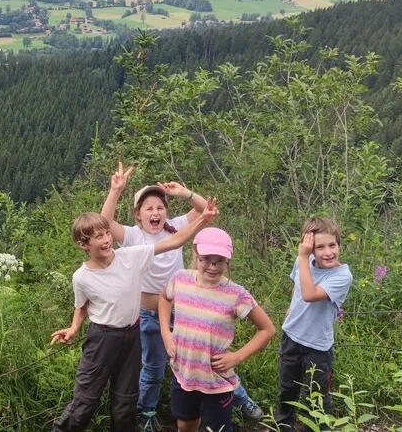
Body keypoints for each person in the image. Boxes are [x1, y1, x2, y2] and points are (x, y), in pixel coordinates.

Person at [99, 163, 264, 430]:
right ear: (137, 214)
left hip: (187, 310)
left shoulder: (175, 227)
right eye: (148, 208)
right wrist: (115, 190)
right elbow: (103, 224)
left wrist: (184, 193)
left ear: (166, 212)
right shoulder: (131, 236)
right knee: (153, 366)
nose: (155, 212)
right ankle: (147, 412)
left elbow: (204, 209)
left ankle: (239, 398)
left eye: (160, 207)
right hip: (151, 315)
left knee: (209, 359)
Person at [50, 197, 218, 432]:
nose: (107, 240)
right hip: (102, 339)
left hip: (131, 335)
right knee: (85, 401)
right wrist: (74, 327)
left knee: (125, 401)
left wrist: (203, 218)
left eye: (107, 233)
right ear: (82, 244)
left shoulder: (130, 256)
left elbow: (174, 241)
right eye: (98, 237)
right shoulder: (81, 277)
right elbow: (83, 305)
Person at [159, 227, 276, 432]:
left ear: (228, 261)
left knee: (218, 429)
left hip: (217, 380)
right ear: (195, 254)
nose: (213, 266)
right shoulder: (180, 279)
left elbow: (267, 329)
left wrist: (237, 357)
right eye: (206, 259)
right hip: (183, 373)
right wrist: (165, 332)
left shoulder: (236, 294)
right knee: (185, 424)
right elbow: (164, 298)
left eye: (220, 261)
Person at [275, 217, 353, 432]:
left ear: (339, 245)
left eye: (332, 245)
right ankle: (284, 427)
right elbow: (298, 289)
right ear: (309, 247)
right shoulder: (302, 263)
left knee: (316, 396)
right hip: (291, 336)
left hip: (318, 346)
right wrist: (290, 312)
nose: (328, 252)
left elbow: (309, 294)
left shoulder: (342, 275)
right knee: (287, 389)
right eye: (320, 247)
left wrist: (302, 256)